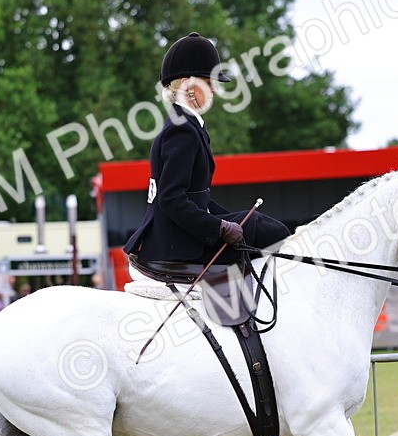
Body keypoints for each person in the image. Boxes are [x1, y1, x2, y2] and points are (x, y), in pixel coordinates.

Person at [123, 32, 290, 271]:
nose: (213, 90)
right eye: (208, 83)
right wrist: (219, 228)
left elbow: (196, 198)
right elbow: (171, 199)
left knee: (256, 224)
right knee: (272, 231)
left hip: (180, 233)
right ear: (187, 86)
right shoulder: (181, 131)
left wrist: (227, 219)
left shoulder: (188, 125)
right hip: (176, 242)